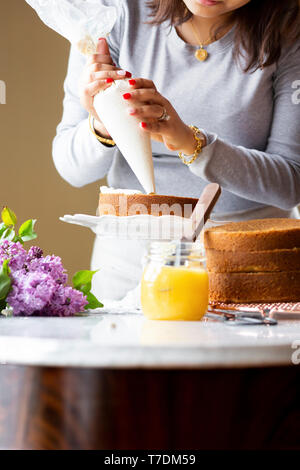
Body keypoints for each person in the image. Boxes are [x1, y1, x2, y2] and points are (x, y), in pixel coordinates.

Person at [53, 0, 300, 300]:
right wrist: (104, 125)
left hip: (246, 257)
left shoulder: (289, 28)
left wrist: (189, 141)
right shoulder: (113, 13)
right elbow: (71, 168)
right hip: (128, 254)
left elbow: (291, 181)